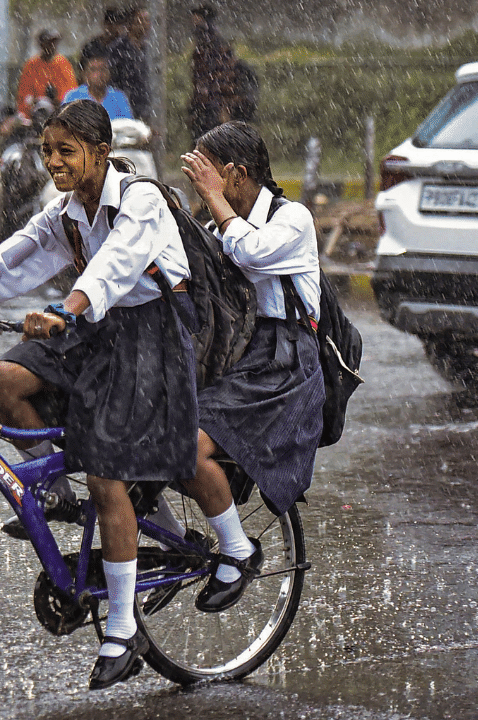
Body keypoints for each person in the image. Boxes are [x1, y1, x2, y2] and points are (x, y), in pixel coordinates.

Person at [0, 100, 248, 690]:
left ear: (101, 154)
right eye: (46, 152)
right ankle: (56, 492)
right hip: (96, 328)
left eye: (65, 152)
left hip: (154, 335)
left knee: (107, 477)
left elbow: (117, 262)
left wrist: (68, 308)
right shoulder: (68, 212)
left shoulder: (140, 200)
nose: (53, 163)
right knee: (3, 385)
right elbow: (11, 256)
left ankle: (125, 627)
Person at [179, 121, 324, 612]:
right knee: (153, 425)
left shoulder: (293, 219)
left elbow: (252, 253)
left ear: (236, 175)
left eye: (209, 176)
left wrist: (215, 204)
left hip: (283, 361)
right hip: (239, 353)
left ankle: (238, 552)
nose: (202, 188)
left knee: (187, 445)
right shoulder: (218, 223)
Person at [188, 5, 241, 141]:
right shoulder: (205, 44)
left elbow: (222, 77)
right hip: (205, 105)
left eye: (196, 20)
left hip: (212, 106)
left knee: (211, 144)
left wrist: (223, 107)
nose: (194, 24)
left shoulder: (213, 45)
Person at [16, 29, 78, 120]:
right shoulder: (31, 65)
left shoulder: (63, 63)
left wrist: (55, 100)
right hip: (35, 115)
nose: (52, 46)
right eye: (48, 42)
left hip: (59, 114)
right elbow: (23, 97)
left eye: (54, 42)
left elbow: (71, 94)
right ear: (41, 44)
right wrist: (36, 101)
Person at [106, 6, 152, 123]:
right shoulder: (118, 49)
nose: (145, 24)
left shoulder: (147, 49)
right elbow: (112, 80)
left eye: (147, 20)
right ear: (130, 24)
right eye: (141, 20)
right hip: (123, 108)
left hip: (143, 108)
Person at [63, 55, 133, 121]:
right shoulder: (72, 97)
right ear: (84, 74)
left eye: (103, 69)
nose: (99, 74)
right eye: (93, 70)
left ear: (109, 73)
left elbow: (127, 126)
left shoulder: (119, 98)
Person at [79, 6, 126, 71]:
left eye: (116, 24)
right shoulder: (91, 45)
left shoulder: (123, 47)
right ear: (103, 24)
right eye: (109, 24)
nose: (112, 28)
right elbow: (83, 69)